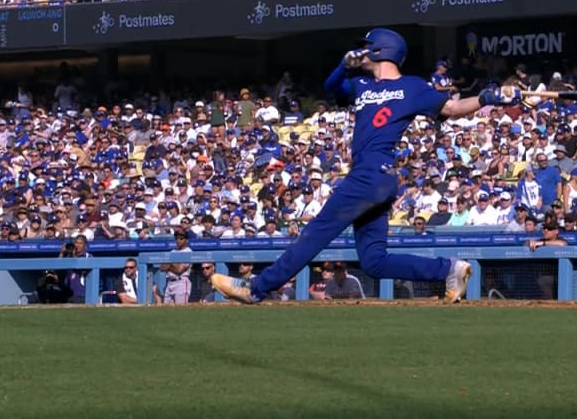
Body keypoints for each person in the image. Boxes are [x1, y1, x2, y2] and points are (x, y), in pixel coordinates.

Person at [210, 28, 521, 304]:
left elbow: (453, 108)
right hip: (376, 177)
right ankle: (450, 269)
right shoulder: (360, 84)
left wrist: (486, 97)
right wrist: (342, 66)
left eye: (366, 47)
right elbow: (331, 86)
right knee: (374, 261)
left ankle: (256, 289)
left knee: (316, 232)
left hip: (372, 173)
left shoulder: (414, 87)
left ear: (379, 50)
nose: (359, 51)